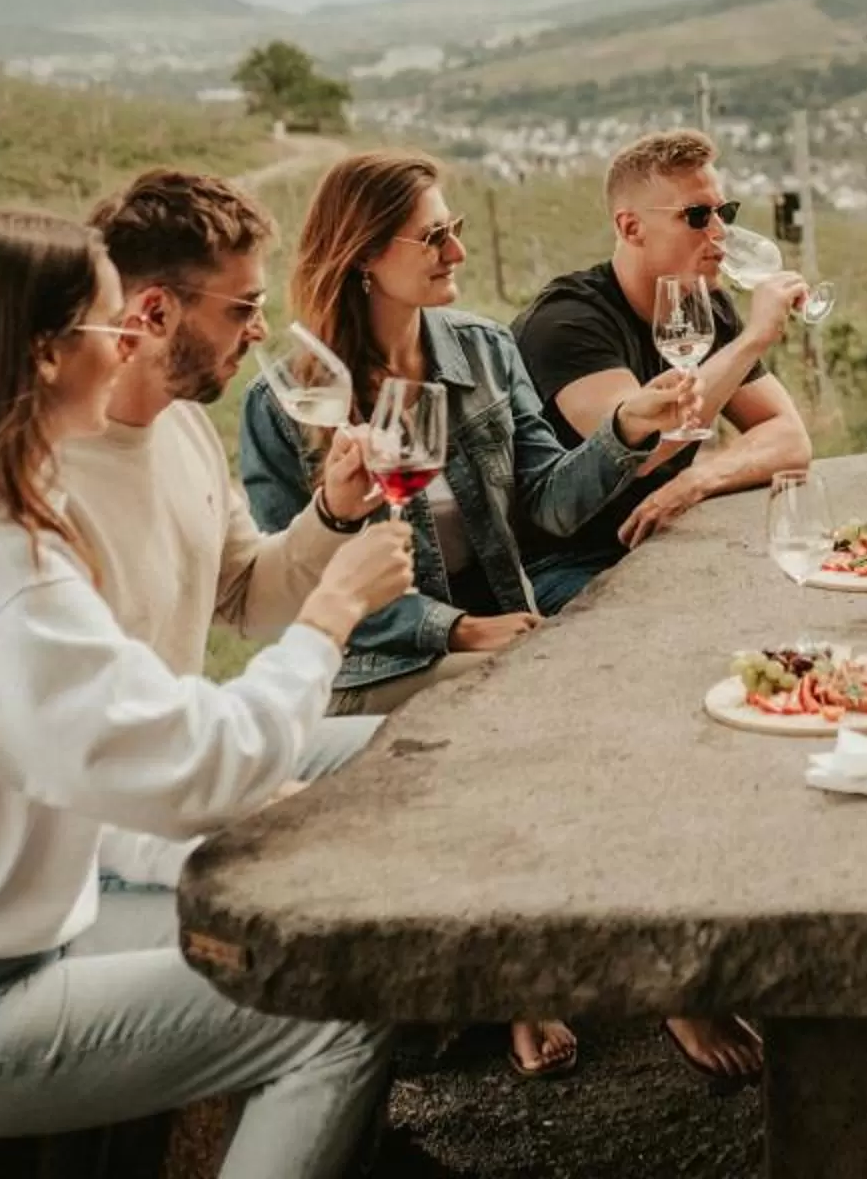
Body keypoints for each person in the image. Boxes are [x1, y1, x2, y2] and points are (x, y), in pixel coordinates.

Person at [0, 210, 420, 1178]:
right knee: (332, 1009)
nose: (128, 342)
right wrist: (330, 614)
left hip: (29, 928)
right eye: (106, 324)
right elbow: (200, 770)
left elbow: (167, 724)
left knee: (330, 898)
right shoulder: (3, 575)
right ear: (47, 353)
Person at [236, 152, 737, 1084]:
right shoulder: (286, 403)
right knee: (563, 707)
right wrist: (454, 631)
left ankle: (646, 947)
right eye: (433, 236)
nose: (456, 250)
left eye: (456, 227)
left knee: (641, 687)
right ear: (363, 256)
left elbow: (548, 504)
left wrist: (627, 432)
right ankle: (587, 975)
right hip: (378, 663)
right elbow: (294, 590)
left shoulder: (481, 351)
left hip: (507, 633)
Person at [59, 170, 381, 797]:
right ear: (155, 312)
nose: (259, 331)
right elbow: (90, 754)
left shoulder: (184, 425)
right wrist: (252, 802)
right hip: (125, 796)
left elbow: (245, 595)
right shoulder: (48, 483)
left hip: (193, 747)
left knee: (420, 743)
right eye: (243, 308)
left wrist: (336, 513)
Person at [512, 129, 815, 607]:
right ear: (631, 228)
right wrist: (754, 339)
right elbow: (634, 455)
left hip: (660, 540)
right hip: (567, 565)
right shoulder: (568, 322)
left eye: (725, 212)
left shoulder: (702, 305)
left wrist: (698, 479)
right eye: (697, 216)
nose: (719, 233)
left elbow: (790, 438)